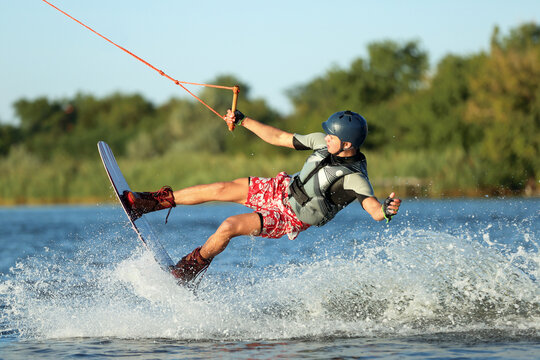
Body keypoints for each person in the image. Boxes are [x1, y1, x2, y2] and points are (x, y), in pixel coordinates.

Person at [123, 109, 401, 284]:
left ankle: (188, 270)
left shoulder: (355, 177)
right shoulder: (322, 141)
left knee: (229, 226)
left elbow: (372, 208)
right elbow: (279, 137)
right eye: (327, 134)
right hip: (281, 188)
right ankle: (149, 203)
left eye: (332, 137)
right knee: (221, 188)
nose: (326, 138)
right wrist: (243, 120)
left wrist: (385, 211)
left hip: (290, 216)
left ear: (348, 144)